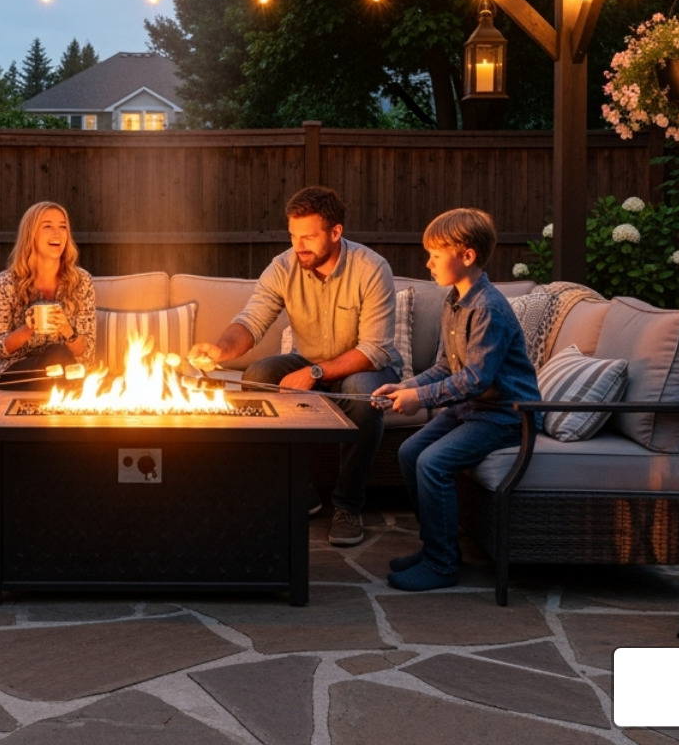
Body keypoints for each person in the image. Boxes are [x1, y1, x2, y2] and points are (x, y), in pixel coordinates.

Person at [188, 186, 399, 548]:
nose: (299, 245)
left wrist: (315, 373)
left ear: (335, 233)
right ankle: (301, 492)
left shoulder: (372, 269)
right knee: (257, 377)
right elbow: (252, 321)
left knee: (360, 395)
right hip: (312, 358)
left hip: (367, 365)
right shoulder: (284, 266)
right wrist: (220, 349)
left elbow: (374, 349)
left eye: (309, 237)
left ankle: (348, 505)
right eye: (293, 236)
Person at [372, 207, 541, 591]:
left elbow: (476, 379)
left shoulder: (488, 308)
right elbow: (446, 368)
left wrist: (421, 399)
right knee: (409, 451)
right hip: (473, 409)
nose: (427, 261)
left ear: (466, 256)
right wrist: (406, 387)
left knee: (432, 463)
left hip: (505, 416)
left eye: (435, 253)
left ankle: (442, 564)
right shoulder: (453, 302)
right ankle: (437, 545)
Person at [0, 200, 96, 390]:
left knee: (59, 355)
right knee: (55, 358)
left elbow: (86, 352)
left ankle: (57, 399)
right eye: (47, 226)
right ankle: (69, 399)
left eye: (62, 227)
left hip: (67, 366)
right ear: (31, 234)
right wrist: (28, 329)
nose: (57, 233)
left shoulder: (81, 281)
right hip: (19, 368)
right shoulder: (7, 282)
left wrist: (65, 329)